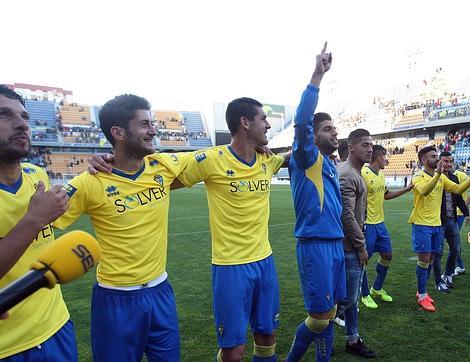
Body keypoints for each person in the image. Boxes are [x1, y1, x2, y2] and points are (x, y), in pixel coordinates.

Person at [55, 94, 194, 362]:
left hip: (161, 291)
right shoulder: (89, 182)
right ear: (118, 132)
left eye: (152, 123)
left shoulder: (162, 167)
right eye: (144, 124)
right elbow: (43, 218)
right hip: (115, 299)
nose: (153, 130)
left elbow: (216, 158)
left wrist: (266, 152)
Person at [174, 97, 287, 362]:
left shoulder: (267, 162)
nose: (269, 125)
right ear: (245, 123)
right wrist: (111, 162)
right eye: (263, 119)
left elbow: (295, 158)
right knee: (234, 352)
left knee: (267, 337)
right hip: (230, 266)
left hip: (265, 261)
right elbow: (161, 182)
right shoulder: (212, 159)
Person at [286, 43, 369, 361]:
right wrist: (317, 74)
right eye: (327, 128)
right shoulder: (306, 156)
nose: (335, 133)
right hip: (315, 245)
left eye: (336, 128)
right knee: (320, 317)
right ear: (312, 134)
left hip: (336, 245)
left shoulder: (330, 165)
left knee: (332, 311)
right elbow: (303, 118)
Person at [0, 85, 76, 361]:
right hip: (7, 347)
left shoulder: (36, 174)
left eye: (25, 117)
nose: (21, 124)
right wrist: (34, 219)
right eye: (4, 115)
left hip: (56, 327)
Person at [409, 146, 470, 311]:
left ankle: (422, 291)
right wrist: (438, 174)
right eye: (433, 156)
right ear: (423, 160)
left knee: (431, 258)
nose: (436, 159)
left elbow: (458, 189)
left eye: (436, 156)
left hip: (437, 224)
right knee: (424, 260)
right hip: (422, 224)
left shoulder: (441, 178)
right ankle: (422, 294)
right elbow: (424, 191)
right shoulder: (418, 176)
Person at [337, 128, 376, 358]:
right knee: (349, 298)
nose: (370, 148)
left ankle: (353, 338)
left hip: (350, 244)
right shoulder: (348, 174)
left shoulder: (353, 171)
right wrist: (361, 245)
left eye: (371, 144)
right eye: (364, 144)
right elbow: (346, 215)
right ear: (351, 147)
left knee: (351, 301)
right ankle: (315, 325)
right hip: (348, 246)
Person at [359, 144, 413, 309]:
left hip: (380, 224)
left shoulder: (381, 175)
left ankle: (377, 288)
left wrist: (407, 188)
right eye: (384, 156)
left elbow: (386, 195)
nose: (387, 160)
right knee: (363, 261)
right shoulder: (363, 174)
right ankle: (365, 294)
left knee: (387, 255)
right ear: (377, 157)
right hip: (367, 225)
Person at [430, 151, 470, 290]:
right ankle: (438, 281)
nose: (448, 164)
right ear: (439, 162)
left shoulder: (453, 177)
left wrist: (466, 213)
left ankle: (448, 274)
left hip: (452, 219)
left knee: (455, 250)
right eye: (445, 161)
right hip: (438, 221)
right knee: (438, 252)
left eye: (450, 161)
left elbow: (458, 197)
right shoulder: (434, 177)